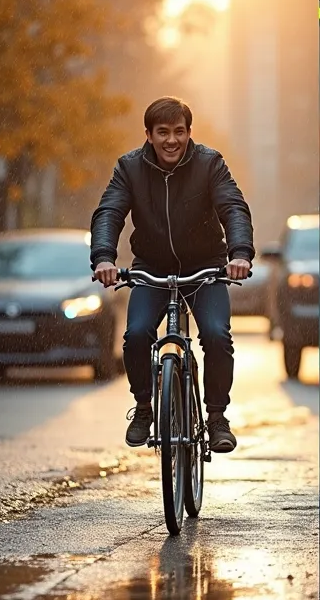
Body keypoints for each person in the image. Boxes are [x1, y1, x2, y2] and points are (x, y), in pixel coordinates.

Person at [89, 96, 254, 454]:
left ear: (189, 133)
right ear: (148, 134)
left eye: (179, 132)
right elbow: (109, 212)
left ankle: (216, 416)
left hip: (205, 269)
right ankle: (145, 408)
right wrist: (104, 257)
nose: (171, 140)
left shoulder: (210, 163)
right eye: (162, 132)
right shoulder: (129, 168)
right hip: (152, 269)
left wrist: (239, 253)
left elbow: (233, 207)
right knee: (135, 335)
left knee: (215, 334)